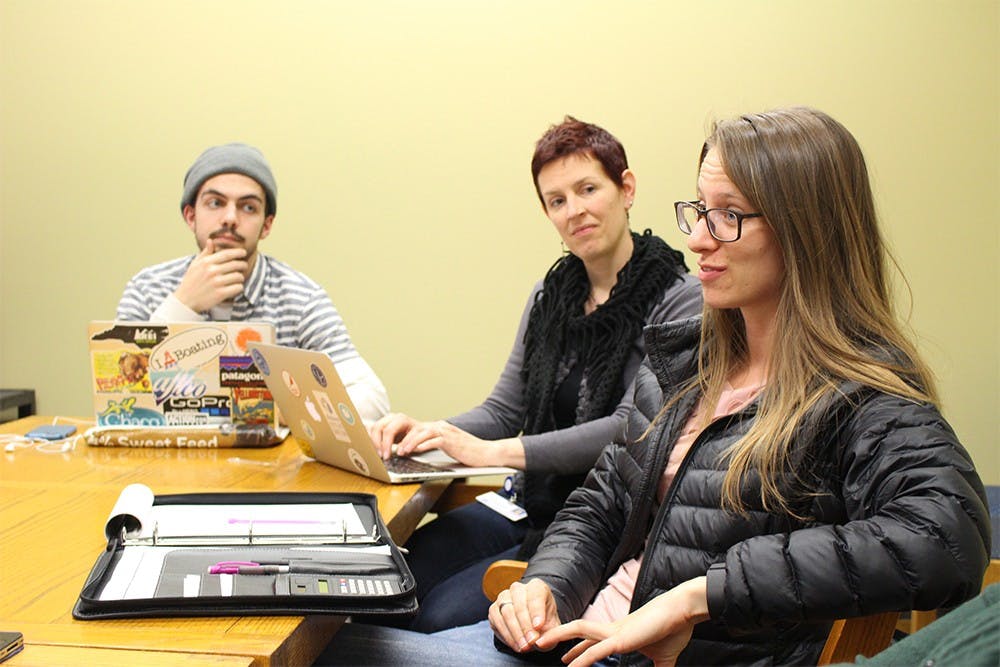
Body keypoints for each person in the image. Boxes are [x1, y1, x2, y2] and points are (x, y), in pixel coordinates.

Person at [314, 107, 990, 666]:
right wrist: (548, 582)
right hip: (577, 637)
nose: (698, 237)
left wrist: (702, 592)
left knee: (328, 651)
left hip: (634, 656)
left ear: (807, 233)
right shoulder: (690, 343)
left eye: (729, 215)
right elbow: (603, 498)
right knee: (330, 633)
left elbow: (950, 536)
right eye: (698, 209)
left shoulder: (858, 390)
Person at [368, 117, 702, 633]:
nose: (575, 210)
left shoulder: (679, 298)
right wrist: (431, 431)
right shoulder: (549, 296)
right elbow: (505, 410)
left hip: (595, 523)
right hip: (523, 501)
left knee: (433, 614)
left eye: (588, 189)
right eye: (557, 200)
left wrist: (493, 454)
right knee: (387, 581)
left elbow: (627, 430)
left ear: (626, 188)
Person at [116, 143, 389, 422]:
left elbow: (372, 398)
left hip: (269, 464)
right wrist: (183, 304)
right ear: (190, 216)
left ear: (266, 225)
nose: (231, 218)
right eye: (215, 203)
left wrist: (281, 411)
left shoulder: (301, 298)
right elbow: (120, 397)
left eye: (248, 207)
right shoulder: (147, 287)